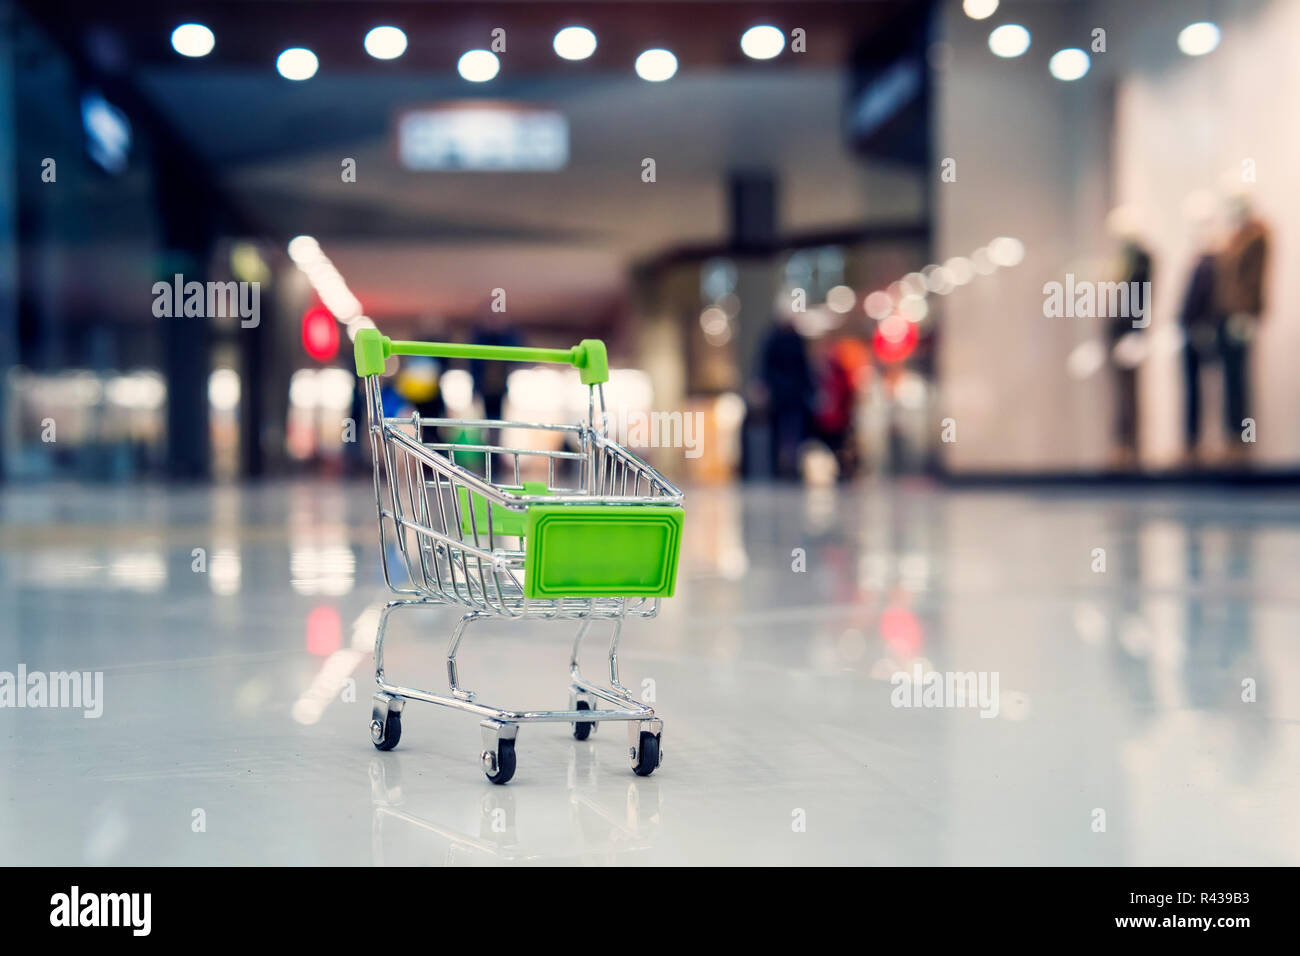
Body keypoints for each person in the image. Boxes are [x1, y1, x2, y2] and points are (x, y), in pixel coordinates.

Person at [1215, 197, 1270, 464]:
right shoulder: (1234, 238)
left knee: (1240, 381)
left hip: (1241, 316)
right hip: (1226, 317)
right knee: (1230, 381)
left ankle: (1243, 441)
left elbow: (1255, 278)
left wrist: (1248, 313)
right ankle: (1232, 439)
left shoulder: (1257, 237)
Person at [757, 317, 814, 480]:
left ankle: (788, 464)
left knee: (790, 431)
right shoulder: (780, 340)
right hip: (786, 396)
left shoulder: (779, 339)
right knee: (786, 431)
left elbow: (803, 367)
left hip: (788, 396)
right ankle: (784, 464)